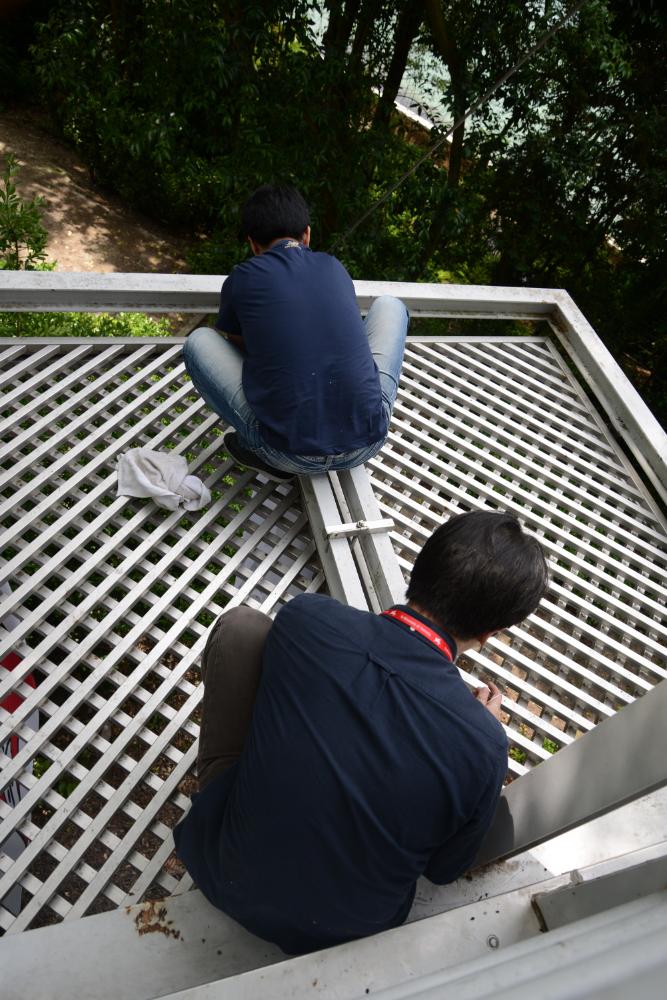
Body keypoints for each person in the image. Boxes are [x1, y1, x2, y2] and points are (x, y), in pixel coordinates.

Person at [173, 510, 549, 954]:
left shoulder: (308, 619)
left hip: (221, 870)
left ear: (420, 569)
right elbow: (444, 869)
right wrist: (474, 726)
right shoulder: (485, 746)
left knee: (243, 628)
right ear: (491, 632)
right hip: (343, 937)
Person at [182, 184, 409, 481]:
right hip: (367, 443)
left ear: (252, 244)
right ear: (307, 234)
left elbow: (241, 347)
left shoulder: (242, 278)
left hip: (287, 454)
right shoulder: (334, 266)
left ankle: (262, 455)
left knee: (198, 340)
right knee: (391, 304)